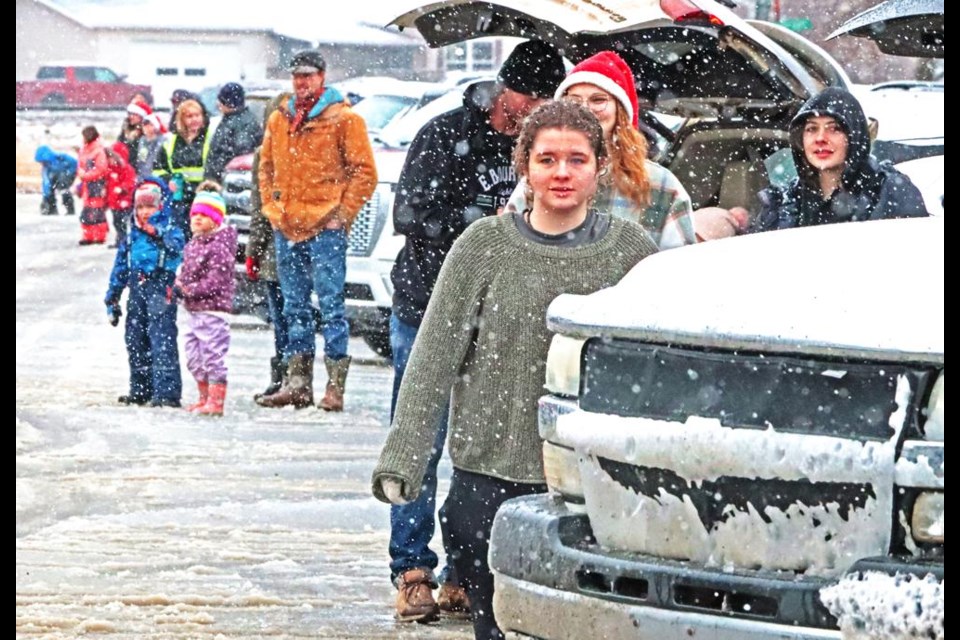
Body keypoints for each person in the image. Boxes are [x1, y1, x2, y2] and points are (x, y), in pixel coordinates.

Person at [373, 100, 658, 639]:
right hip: (490, 478)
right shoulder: (483, 246)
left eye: (576, 159)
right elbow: (432, 357)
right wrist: (404, 454)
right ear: (524, 166)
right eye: (547, 159)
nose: (562, 172)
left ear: (599, 166)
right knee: (497, 626)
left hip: (594, 482)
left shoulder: (630, 252)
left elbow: (656, 371)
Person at [386, 39, 565, 623]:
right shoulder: (444, 134)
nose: (531, 110)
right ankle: (412, 569)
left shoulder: (542, 153)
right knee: (419, 436)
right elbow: (408, 215)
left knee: (482, 445)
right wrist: (478, 225)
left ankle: (467, 568)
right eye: (527, 97)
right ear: (505, 87)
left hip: (500, 324)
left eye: (545, 100)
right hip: (426, 306)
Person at [255, 50, 377, 412]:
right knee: (294, 307)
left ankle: (334, 386)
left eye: (308, 76)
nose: (301, 82)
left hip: (326, 226)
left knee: (331, 307)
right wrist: (272, 208)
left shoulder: (344, 119)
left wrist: (342, 214)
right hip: (287, 225)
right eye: (296, 76)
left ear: (322, 77)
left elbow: (364, 172)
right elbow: (266, 167)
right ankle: (297, 383)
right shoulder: (280, 118)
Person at [504, 50, 696, 249]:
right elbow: (506, 246)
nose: (586, 108)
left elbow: (679, 272)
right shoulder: (540, 179)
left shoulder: (662, 186)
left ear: (620, 111)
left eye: (598, 100)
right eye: (575, 101)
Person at [750, 87, 928, 232]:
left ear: (855, 137)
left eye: (834, 129)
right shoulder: (783, 203)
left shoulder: (891, 192)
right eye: (811, 129)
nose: (820, 138)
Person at [104, 179, 186, 408]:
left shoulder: (170, 229)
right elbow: (121, 266)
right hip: (137, 289)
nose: (145, 212)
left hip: (161, 287)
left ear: (160, 207)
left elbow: (178, 247)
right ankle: (141, 388)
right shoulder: (132, 236)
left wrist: (158, 233)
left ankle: (166, 392)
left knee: (162, 338)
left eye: (150, 207)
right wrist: (113, 295)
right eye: (140, 207)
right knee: (135, 338)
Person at [174, 190, 237, 417]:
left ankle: (216, 400)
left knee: (212, 355)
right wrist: (179, 283)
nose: (197, 219)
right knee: (194, 356)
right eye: (194, 215)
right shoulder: (193, 245)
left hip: (213, 310)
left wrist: (191, 290)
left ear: (216, 219)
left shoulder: (219, 247)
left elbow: (216, 281)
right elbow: (188, 272)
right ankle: (203, 397)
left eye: (204, 214)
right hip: (194, 311)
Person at [245, 93, 291, 402]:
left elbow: (260, 207)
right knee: (284, 315)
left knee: (287, 316)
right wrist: (254, 250)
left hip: (290, 246)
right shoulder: (265, 154)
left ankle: (289, 375)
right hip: (279, 249)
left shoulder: (271, 154)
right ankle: (286, 374)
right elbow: (260, 206)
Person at [154, 98, 212, 238]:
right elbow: (158, 168)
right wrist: (168, 180)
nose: (194, 119)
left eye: (197, 115)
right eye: (190, 116)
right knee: (178, 236)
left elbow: (216, 166)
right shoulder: (171, 141)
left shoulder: (210, 138)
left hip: (202, 196)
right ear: (182, 119)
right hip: (178, 197)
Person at [203, 82, 264, 185]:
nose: (218, 104)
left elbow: (240, 149)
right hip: (223, 179)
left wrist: (219, 168)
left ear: (228, 102)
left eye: (221, 100)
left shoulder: (242, 122)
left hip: (231, 182)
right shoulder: (232, 119)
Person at [76, 125, 110, 245]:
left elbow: (101, 169)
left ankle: (99, 235)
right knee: (87, 211)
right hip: (87, 185)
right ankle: (88, 235)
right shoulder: (84, 150)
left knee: (97, 211)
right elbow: (80, 165)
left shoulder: (98, 150)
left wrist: (85, 175)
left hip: (96, 184)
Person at [104, 141, 137, 248]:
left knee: (124, 223)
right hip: (114, 202)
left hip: (124, 201)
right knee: (116, 222)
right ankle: (120, 240)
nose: (110, 161)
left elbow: (130, 183)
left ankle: (126, 241)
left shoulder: (127, 170)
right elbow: (108, 184)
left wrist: (122, 189)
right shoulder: (110, 170)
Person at [34, 145, 76, 216]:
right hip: (56, 180)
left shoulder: (61, 157)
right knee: (49, 191)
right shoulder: (46, 168)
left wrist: (69, 174)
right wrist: (46, 196)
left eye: (42, 161)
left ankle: (70, 209)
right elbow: (46, 182)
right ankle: (51, 209)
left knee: (64, 189)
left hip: (65, 179)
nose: (42, 163)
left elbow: (74, 164)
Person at [118, 96, 152, 164]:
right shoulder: (126, 130)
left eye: (134, 114)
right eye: (130, 114)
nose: (131, 116)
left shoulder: (145, 134)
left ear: (141, 116)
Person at [135, 113, 167, 182]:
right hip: (142, 177)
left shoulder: (162, 140)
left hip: (157, 176)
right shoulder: (142, 140)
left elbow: (157, 158)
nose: (147, 128)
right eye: (145, 125)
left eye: (150, 125)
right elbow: (141, 160)